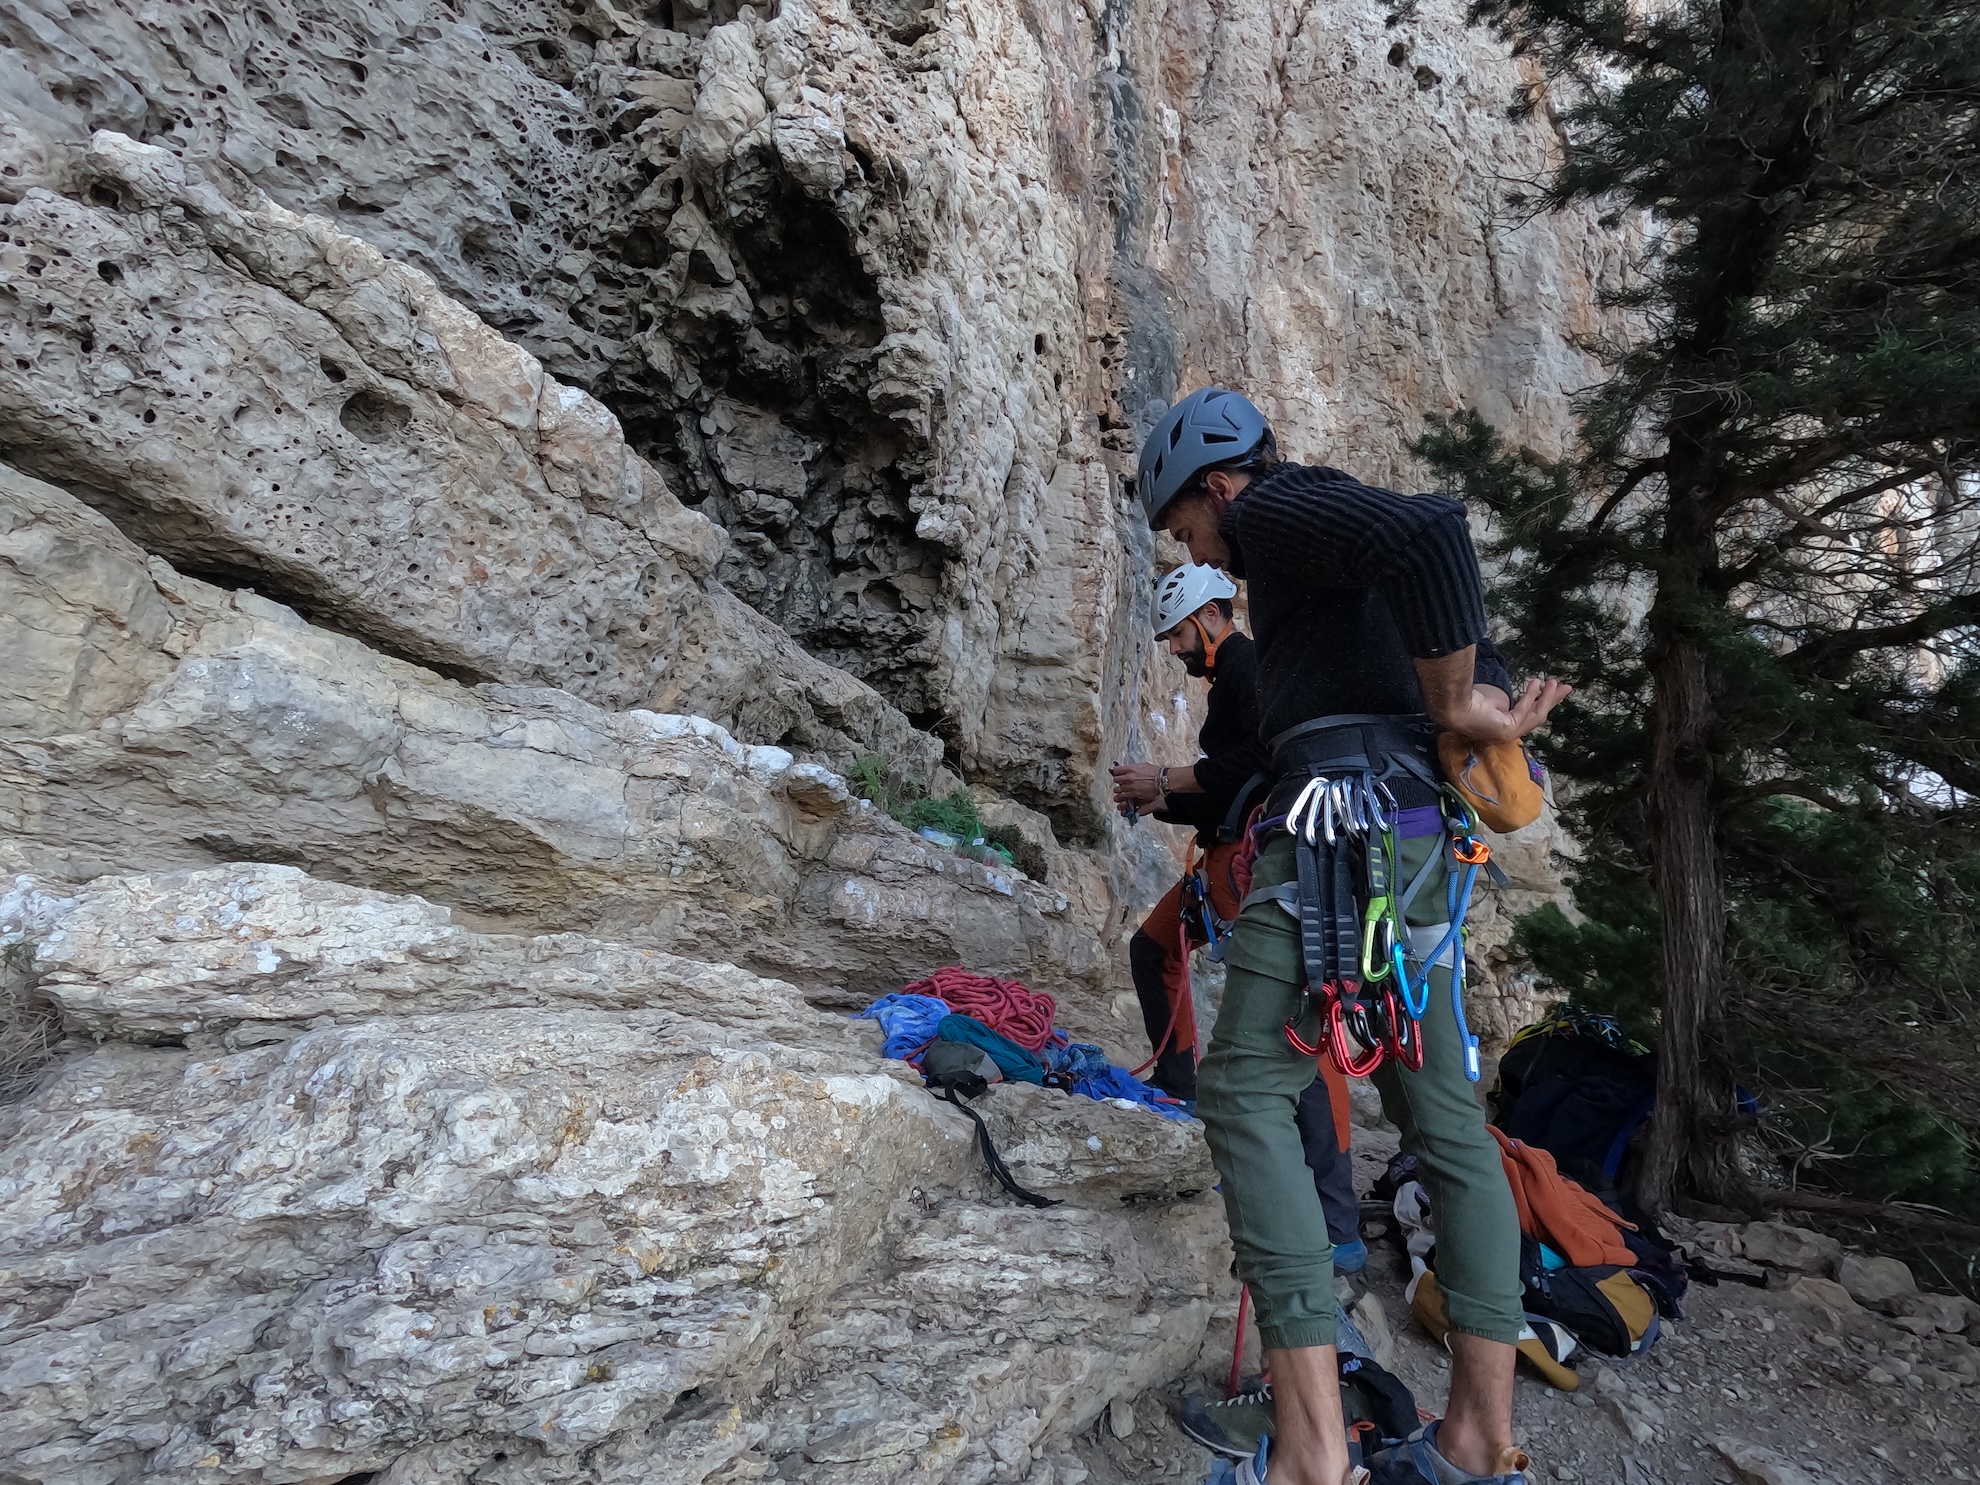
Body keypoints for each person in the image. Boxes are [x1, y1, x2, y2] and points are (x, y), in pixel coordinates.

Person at [1137, 388, 1571, 1485]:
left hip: (1340, 842)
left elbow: (1431, 531)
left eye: (1192, 533)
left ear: (1218, 490)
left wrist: (1455, 699)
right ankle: (1476, 1437)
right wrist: (1471, 701)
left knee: (1242, 1091)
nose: (1210, 559)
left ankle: (1315, 1453)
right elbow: (1484, 643)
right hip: (1417, 851)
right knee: (1443, 1123)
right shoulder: (1330, 571)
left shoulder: (1277, 515)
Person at [1112, 566, 1369, 1280]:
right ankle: (1180, 1085)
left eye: (1177, 637)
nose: (1174, 651)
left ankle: (1335, 1215)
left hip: (1256, 862)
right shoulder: (1232, 679)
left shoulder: (1250, 665)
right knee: (1152, 948)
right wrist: (1157, 799)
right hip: (1235, 852)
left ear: (1206, 619)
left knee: (1297, 1030)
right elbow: (1229, 780)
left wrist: (1164, 779)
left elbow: (1259, 761)